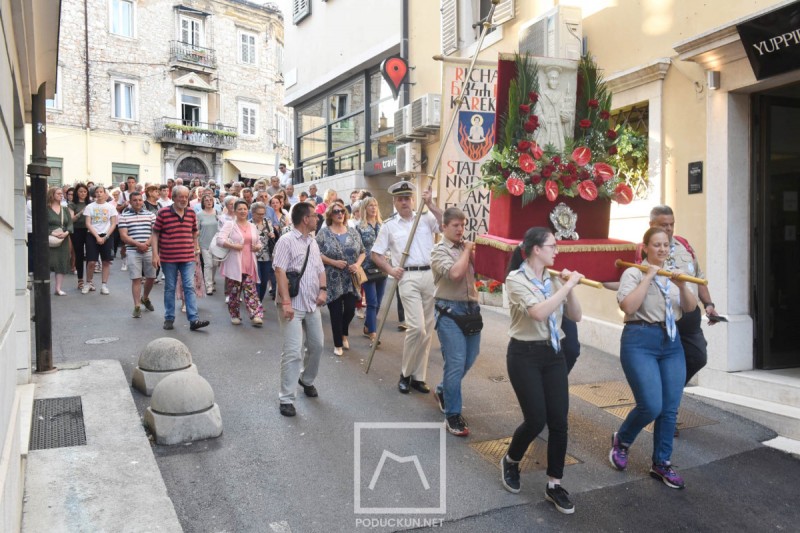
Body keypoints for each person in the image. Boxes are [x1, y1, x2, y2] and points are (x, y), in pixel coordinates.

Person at [500, 227, 583, 514]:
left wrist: (568, 289)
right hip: (524, 355)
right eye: (552, 246)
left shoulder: (550, 278)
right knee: (536, 420)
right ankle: (511, 460)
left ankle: (554, 484)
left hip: (553, 353)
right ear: (536, 249)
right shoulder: (515, 279)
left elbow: (576, 316)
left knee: (559, 421)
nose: (556, 251)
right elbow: (537, 312)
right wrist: (567, 286)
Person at [609, 227, 697, 490]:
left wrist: (682, 285)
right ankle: (622, 440)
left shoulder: (674, 275)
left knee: (670, 409)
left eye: (665, 245)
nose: (661, 249)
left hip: (671, 342)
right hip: (640, 340)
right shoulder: (633, 272)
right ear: (645, 247)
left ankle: (661, 463)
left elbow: (690, 309)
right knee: (650, 405)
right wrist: (648, 277)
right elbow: (628, 307)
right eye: (656, 245)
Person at [371, 181, 443, 394]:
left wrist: (431, 204)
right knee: (417, 328)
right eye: (400, 199)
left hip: (430, 275)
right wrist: (391, 270)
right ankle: (405, 373)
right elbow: (376, 254)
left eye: (407, 198)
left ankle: (418, 377)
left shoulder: (426, 217)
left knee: (427, 330)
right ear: (394, 202)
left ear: (413, 200)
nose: (404, 202)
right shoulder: (389, 226)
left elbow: (445, 224)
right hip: (408, 277)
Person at [646, 205, 719, 385]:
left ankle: (671, 390)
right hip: (664, 317)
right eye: (664, 225)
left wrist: (709, 304)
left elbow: (698, 278)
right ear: (651, 225)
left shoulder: (684, 246)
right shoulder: (644, 249)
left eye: (672, 224)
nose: (669, 229)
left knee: (698, 356)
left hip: (689, 313)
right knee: (666, 360)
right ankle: (664, 397)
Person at [431, 207, 481, 437]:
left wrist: (476, 254)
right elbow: (455, 274)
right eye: (456, 226)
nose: (461, 230)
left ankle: (443, 391)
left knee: (469, 359)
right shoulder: (439, 250)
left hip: (471, 310)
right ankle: (452, 414)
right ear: (444, 227)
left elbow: (482, 273)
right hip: (449, 311)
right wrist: (468, 251)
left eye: (463, 225)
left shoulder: (465, 248)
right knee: (455, 362)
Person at [273, 201, 327, 417]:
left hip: (312, 303)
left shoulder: (312, 242)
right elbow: (279, 272)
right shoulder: (286, 241)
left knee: (317, 346)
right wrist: (285, 302)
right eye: (315, 215)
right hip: (292, 305)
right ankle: (286, 398)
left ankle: (306, 380)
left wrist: (323, 289)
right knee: (293, 352)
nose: (317, 219)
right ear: (306, 219)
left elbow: (320, 268)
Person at [152, 185, 209, 331]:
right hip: (168, 258)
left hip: (187, 257)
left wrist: (195, 248)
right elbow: (155, 234)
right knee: (170, 287)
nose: (183, 199)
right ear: (174, 197)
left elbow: (194, 232)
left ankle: (194, 320)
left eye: (186, 197)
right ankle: (169, 318)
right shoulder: (163, 212)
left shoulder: (191, 212)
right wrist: (155, 254)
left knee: (189, 287)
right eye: (180, 196)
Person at [316, 203, 365, 356]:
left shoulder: (353, 232)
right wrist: (333, 262)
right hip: (331, 278)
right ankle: (338, 343)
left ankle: (344, 333)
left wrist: (357, 265)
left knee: (350, 309)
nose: (339, 214)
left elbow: (362, 252)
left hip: (350, 279)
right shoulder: (323, 233)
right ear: (330, 214)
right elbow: (316, 254)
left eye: (342, 211)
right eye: (336, 211)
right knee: (335, 312)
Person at [217, 200, 264, 326]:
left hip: (249, 263)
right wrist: (233, 246)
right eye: (240, 209)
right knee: (234, 292)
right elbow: (220, 240)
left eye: (245, 209)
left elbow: (259, 241)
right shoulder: (230, 224)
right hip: (234, 264)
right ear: (235, 211)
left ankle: (255, 315)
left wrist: (258, 247)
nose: (243, 211)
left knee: (251, 291)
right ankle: (235, 315)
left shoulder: (252, 226)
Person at [118, 191, 157, 318]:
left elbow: (155, 233)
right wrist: (138, 245)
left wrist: (146, 244)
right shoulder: (123, 216)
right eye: (135, 200)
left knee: (151, 277)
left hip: (149, 250)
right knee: (136, 279)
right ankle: (137, 306)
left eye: (140, 200)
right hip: (132, 251)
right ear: (130, 201)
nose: (138, 202)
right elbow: (123, 236)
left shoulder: (151, 215)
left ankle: (145, 297)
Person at [356, 197, 386, 345]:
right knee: (372, 301)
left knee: (379, 301)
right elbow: (357, 248)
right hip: (366, 268)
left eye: (375, 205)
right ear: (364, 208)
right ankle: (373, 333)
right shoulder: (359, 227)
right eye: (370, 206)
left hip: (382, 266)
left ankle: (368, 326)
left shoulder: (383, 225)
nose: (373, 208)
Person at [83, 185, 117, 295]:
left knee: (106, 261)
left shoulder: (110, 207)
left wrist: (105, 237)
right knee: (91, 261)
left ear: (105, 193)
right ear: (94, 194)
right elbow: (88, 223)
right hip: (92, 235)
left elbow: (113, 223)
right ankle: (88, 283)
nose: (99, 194)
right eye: (97, 192)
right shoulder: (90, 207)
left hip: (107, 235)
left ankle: (104, 285)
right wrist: (97, 237)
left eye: (101, 191)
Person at [534, 65, 574, 152]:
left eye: (556, 79)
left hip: (558, 127)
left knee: (559, 150)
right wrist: (540, 115)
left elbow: (566, 110)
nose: (554, 81)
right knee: (543, 149)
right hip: (546, 126)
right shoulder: (543, 94)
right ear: (548, 80)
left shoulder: (562, 95)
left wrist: (568, 118)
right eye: (552, 78)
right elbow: (537, 108)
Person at [47, 187, 73, 295]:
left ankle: (58, 288)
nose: (61, 195)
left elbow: (70, 224)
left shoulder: (65, 209)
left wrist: (66, 233)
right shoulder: (45, 209)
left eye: (61, 194)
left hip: (63, 240)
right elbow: (41, 225)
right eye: (58, 193)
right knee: (48, 262)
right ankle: (45, 287)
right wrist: (52, 233)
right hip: (49, 239)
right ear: (51, 195)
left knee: (61, 263)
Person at [251, 201, 278, 301]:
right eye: (259, 214)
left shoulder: (267, 221)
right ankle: (256, 304)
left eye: (263, 213)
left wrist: (272, 235)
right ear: (253, 213)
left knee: (264, 282)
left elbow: (272, 234)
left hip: (267, 256)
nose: (262, 216)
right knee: (257, 281)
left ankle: (260, 301)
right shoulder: (249, 224)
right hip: (254, 256)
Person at [69, 183, 90, 291]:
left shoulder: (90, 203)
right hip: (77, 230)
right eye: (81, 191)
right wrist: (82, 212)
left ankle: (89, 281)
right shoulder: (73, 204)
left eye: (85, 192)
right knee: (79, 254)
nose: (83, 193)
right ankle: (80, 280)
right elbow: (71, 219)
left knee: (90, 255)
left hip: (89, 230)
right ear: (77, 193)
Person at [197, 195, 219, 295]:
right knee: (208, 264)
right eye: (206, 200)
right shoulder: (199, 215)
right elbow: (196, 230)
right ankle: (208, 286)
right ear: (203, 203)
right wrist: (197, 245)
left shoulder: (218, 213)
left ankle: (212, 280)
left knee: (215, 264)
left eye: (211, 200)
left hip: (216, 244)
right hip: (204, 243)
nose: (209, 202)